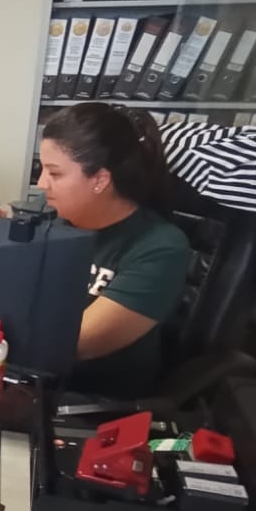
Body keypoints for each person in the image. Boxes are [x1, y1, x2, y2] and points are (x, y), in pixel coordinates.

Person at [37, 102, 192, 399]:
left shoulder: (160, 248)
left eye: (54, 173)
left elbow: (75, 343)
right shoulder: (50, 221)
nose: (42, 184)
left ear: (100, 180)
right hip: (35, 377)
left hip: (92, 400)